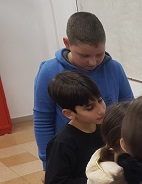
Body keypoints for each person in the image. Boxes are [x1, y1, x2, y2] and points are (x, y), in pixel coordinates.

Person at [34, 11, 133, 170]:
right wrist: (47, 163)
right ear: (67, 43)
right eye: (84, 55)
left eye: (99, 54)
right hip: (72, 156)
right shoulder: (49, 71)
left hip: (111, 154)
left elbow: (129, 111)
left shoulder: (114, 69)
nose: (92, 62)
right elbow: (42, 120)